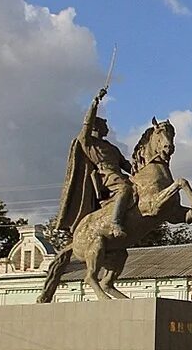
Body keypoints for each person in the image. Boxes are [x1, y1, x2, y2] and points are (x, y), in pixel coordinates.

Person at [52, 86, 134, 238]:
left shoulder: (112, 147)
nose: (107, 127)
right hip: (106, 176)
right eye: (104, 124)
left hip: (118, 174)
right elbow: (86, 124)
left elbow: (127, 165)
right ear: (97, 127)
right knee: (124, 189)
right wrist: (95, 102)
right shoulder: (89, 143)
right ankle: (115, 223)